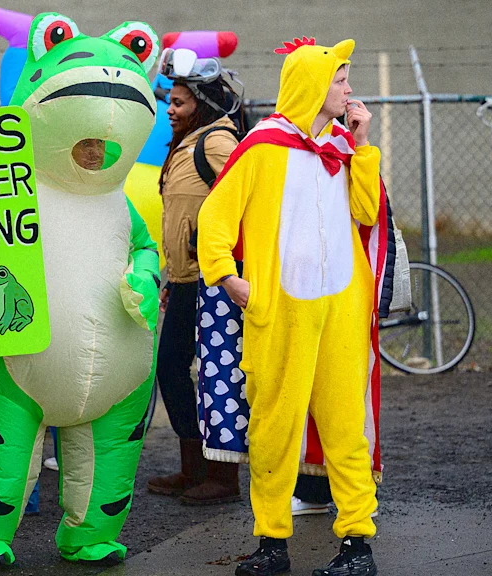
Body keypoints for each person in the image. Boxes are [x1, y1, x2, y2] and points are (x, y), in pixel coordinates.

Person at [198, 36, 387, 576]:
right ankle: (272, 542)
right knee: (274, 430)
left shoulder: (343, 146)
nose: (348, 88)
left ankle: (358, 544)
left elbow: (367, 211)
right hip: (280, 311)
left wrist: (362, 145)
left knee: (347, 430)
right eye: (339, 80)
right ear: (312, 85)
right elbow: (215, 216)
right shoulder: (262, 146)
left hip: (342, 311)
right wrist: (227, 277)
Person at [146, 47, 243, 505]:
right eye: (170, 101)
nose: (170, 109)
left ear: (201, 104)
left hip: (216, 282)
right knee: (173, 368)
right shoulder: (188, 142)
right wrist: (172, 276)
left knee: (216, 372)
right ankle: (195, 467)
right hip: (187, 281)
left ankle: (221, 476)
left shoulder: (216, 142)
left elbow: (249, 200)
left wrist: (207, 240)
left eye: (179, 102)